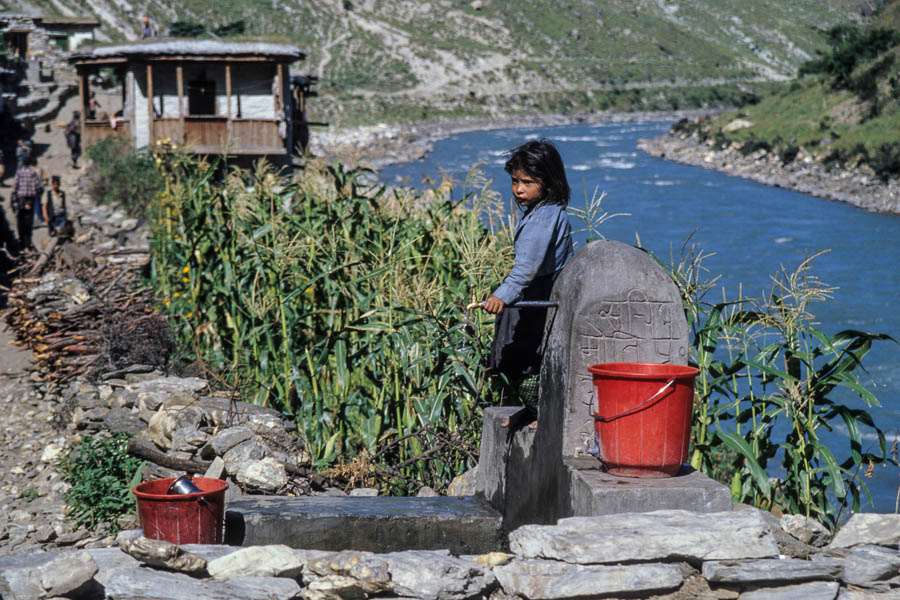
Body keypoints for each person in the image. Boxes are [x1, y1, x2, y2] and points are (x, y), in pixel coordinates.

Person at [483, 139, 574, 413]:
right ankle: (536, 413)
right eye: (514, 181)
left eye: (527, 182)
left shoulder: (543, 218)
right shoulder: (546, 212)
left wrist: (501, 295)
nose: (518, 189)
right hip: (540, 291)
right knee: (528, 357)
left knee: (518, 358)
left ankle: (543, 414)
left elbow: (526, 268)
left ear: (547, 182)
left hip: (539, 294)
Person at [12, 156, 41, 251]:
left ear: (23, 162)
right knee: (29, 222)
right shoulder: (33, 172)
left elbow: (15, 185)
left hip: (21, 200)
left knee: (20, 221)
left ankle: (21, 242)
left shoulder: (19, 172)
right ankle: (28, 243)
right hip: (30, 200)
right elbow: (37, 186)